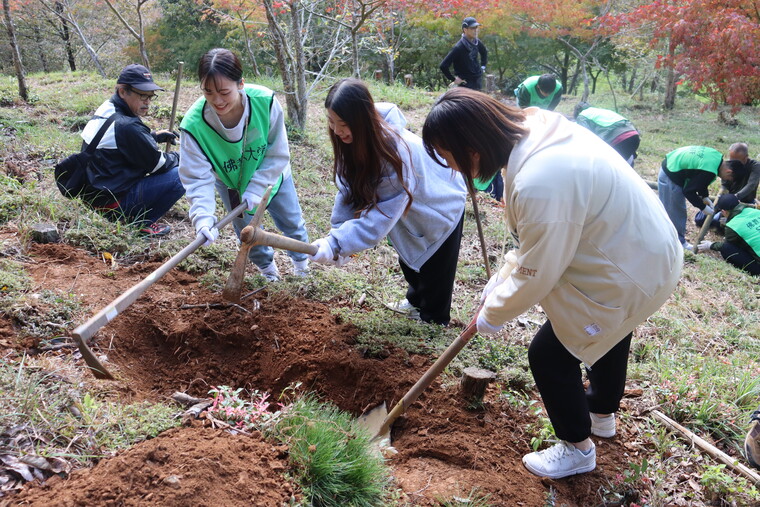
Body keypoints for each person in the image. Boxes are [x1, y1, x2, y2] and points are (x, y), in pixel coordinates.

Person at [421, 87, 682, 479]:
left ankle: (577, 448)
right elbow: (534, 243)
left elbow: (539, 270)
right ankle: (601, 415)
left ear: (472, 144)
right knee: (612, 329)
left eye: (449, 155)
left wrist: (493, 312)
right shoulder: (532, 128)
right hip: (645, 247)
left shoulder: (542, 179)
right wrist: (499, 280)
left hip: (629, 269)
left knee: (549, 355)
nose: (453, 167)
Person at [309, 78, 467, 325]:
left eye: (344, 124)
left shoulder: (396, 151)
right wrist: (336, 238)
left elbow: (381, 215)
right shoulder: (349, 141)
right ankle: (415, 302)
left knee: (435, 267)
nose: (337, 131)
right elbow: (349, 191)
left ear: (362, 120)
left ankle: (433, 320)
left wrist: (339, 243)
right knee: (409, 256)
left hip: (441, 201)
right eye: (331, 122)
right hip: (409, 204)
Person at [179, 48, 309, 281]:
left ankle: (301, 267)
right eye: (208, 92)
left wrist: (258, 186)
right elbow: (197, 178)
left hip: (273, 176)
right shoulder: (194, 125)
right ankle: (268, 272)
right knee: (248, 234)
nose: (217, 101)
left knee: (291, 222)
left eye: (224, 92)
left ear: (241, 84)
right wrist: (203, 218)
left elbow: (277, 153)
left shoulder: (265, 102)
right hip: (232, 185)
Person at [80, 63, 185, 236]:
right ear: (122, 91)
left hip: (94, 197)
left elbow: (120, 142)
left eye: (151, 96)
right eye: (142, 95)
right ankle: (142, 222)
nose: (147, 102)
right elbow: (159, 164)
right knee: (182, 174)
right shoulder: (128, 126)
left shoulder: (108, 108)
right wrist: (182, 157)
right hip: (112, 205)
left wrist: (153, 136)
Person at [657, 145, 738, 250]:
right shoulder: (710, 171)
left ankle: (667, 238)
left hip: (672, 163)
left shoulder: (716, 158)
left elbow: (699, 177)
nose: (726, 180)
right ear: (729, 172)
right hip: (670, 174)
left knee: (673, 210)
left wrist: (704, 196)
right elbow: (688, 191)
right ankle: (678, 243)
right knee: (676, 211)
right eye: (729, 178)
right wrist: (702, 207)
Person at [695, 142, 758, 229]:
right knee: (699, 220)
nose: (732, 163)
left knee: (720, 223)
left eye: (737, 160)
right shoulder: (729, 165)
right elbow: (725, 185)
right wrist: (723, 197)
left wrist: (735, 198)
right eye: (731, 159)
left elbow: (751, 185)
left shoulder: (755, 166)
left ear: (746, 158)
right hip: (726, 199)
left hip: (744, 202)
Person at [697, 194, 760, 276]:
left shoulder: (732, 226)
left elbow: (729, 246)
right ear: (739, 202)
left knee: (726, 249)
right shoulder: (756, 211)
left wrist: (711, 245)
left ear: (723, 212)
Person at [573, 102, 640, 167]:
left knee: (606, 165)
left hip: (617, 138)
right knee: (622, 166)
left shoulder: (582, 115)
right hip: (634, 136)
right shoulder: (603, 111)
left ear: (577, 112)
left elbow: (584, 136)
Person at [439, 17, 488, 91]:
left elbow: (484, 52)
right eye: (472, 28)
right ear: (465, 29)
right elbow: (443, 66)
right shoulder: (459, 47)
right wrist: (453, 79)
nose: (475, 30)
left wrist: (483, 67)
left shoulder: (477, 42)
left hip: (477, 81)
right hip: (465, 85)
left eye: (476, 28)